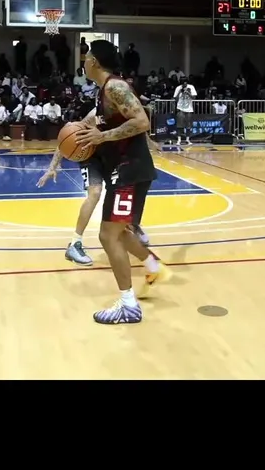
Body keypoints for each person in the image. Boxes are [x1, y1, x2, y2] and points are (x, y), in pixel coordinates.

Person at [68, 40, 167, 324]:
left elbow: (142, 121)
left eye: (86, 57)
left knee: (107, 235)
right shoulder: (104, 91)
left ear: (94, 61)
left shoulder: (115, 87)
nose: (84, 61)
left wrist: (102, 137)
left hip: (129, 170)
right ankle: (152, 265)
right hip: (123, 171)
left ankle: (128, 305)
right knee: (119, 231)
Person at [39, 115, 152, 266]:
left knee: (126, 185)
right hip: (90, 157)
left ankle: (131, 225)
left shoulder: (125, 111)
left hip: (111, 156)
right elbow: (68, 138)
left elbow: (137, 125)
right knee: (95, 193)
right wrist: (52, 167)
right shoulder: (96, 115)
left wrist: (149, 141)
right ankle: (75, 244)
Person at [172, 76, 197, 145]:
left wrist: (188, 92)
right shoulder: (178, 88)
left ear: (187, 82)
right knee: (179, 125)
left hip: (189, 109)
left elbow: (194, 98)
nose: (184, 84)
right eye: (182, 83)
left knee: (188, 125)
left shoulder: (191, 87)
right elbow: (175, 99)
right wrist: (180, 92)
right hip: (180, 108)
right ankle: (179, 140)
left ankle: (187, 140)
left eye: (185, 83)